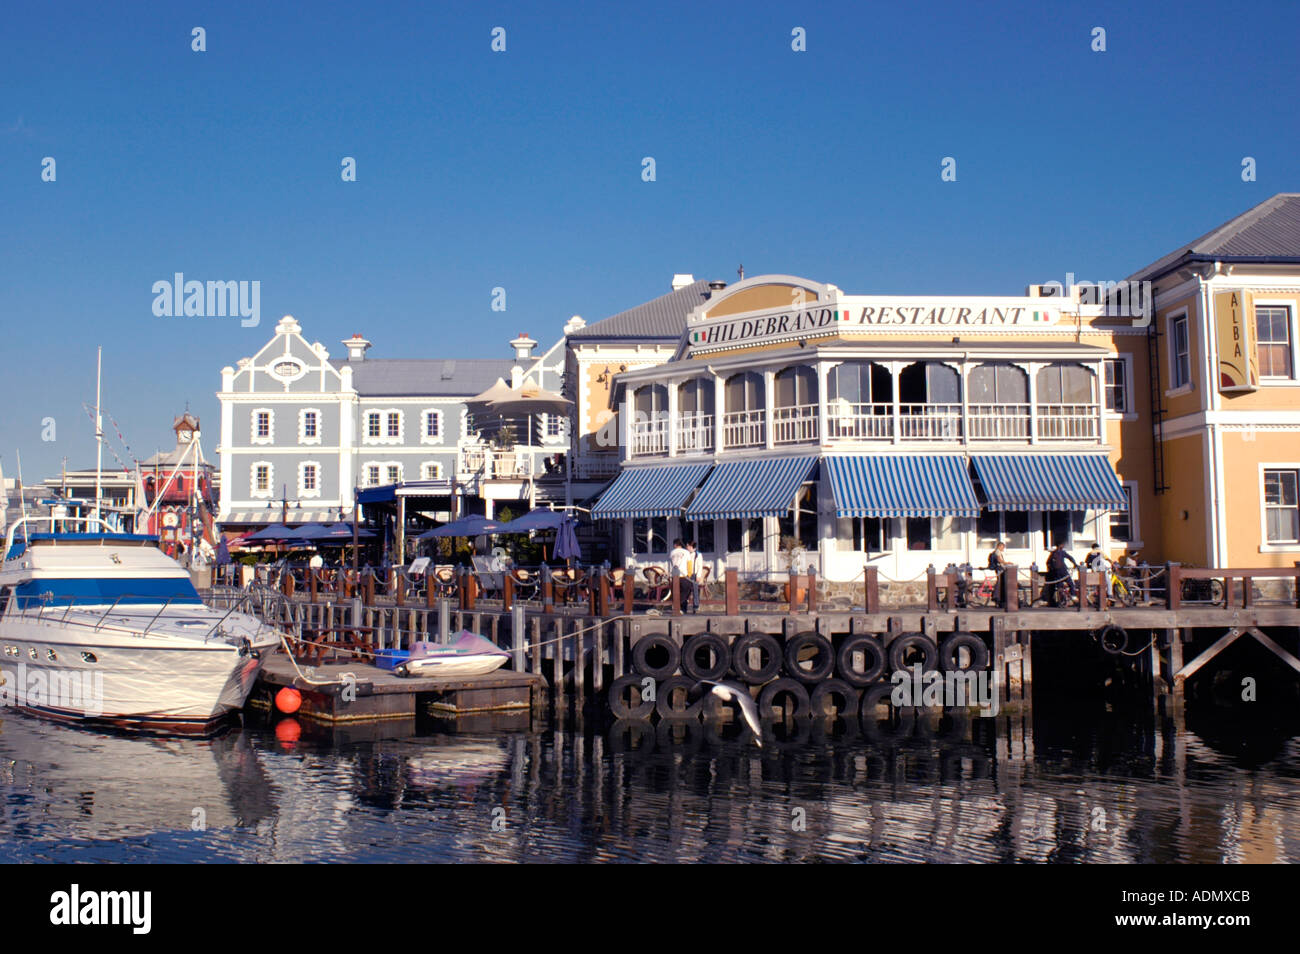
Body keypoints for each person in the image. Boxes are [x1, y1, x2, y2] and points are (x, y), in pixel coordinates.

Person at [1045, 541, 1078, 607]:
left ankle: (1061, 600)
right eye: (1062, 545)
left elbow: (1047, 562)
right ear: (1061, 545)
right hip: (1063, 571)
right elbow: (1070, 558)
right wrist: (1075, 564)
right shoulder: (1062, 552)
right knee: (1071, 583)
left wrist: (1051, 569)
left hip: (1056, 572)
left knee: (1059, 585)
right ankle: (1073, 595)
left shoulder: (1053, 553)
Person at [668, 538, 693, 613]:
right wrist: (689, 574)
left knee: (676, 592)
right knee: (686, 591)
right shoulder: (686, 552)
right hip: (684, 575)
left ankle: (679, 607)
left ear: (675, 545)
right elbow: (689, 564)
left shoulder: (672, 552)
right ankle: (680, 606)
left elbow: (670, 564)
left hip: (675, 575)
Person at [987, 541, 1008, 607]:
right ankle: (996, 596)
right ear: (999, 546)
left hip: (999, 568)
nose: (1003, 549)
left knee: (999, 582)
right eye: (1002, 547)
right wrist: (1007, 563)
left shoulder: (997, 551)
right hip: (999, 569)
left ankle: (997, 597)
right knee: (999, 582)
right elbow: (999, 560)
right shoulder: (998, 551)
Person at [685, 540, 701, 613]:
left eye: (687, 546)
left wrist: (698, 575)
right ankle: (684, 606)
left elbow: (699, 566)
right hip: (687, 574)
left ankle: (696, 606)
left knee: (695, 591)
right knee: (686, 590)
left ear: (691, 547)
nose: (686, 547)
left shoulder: (698, 555)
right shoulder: (686, 554)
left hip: (694, 575)